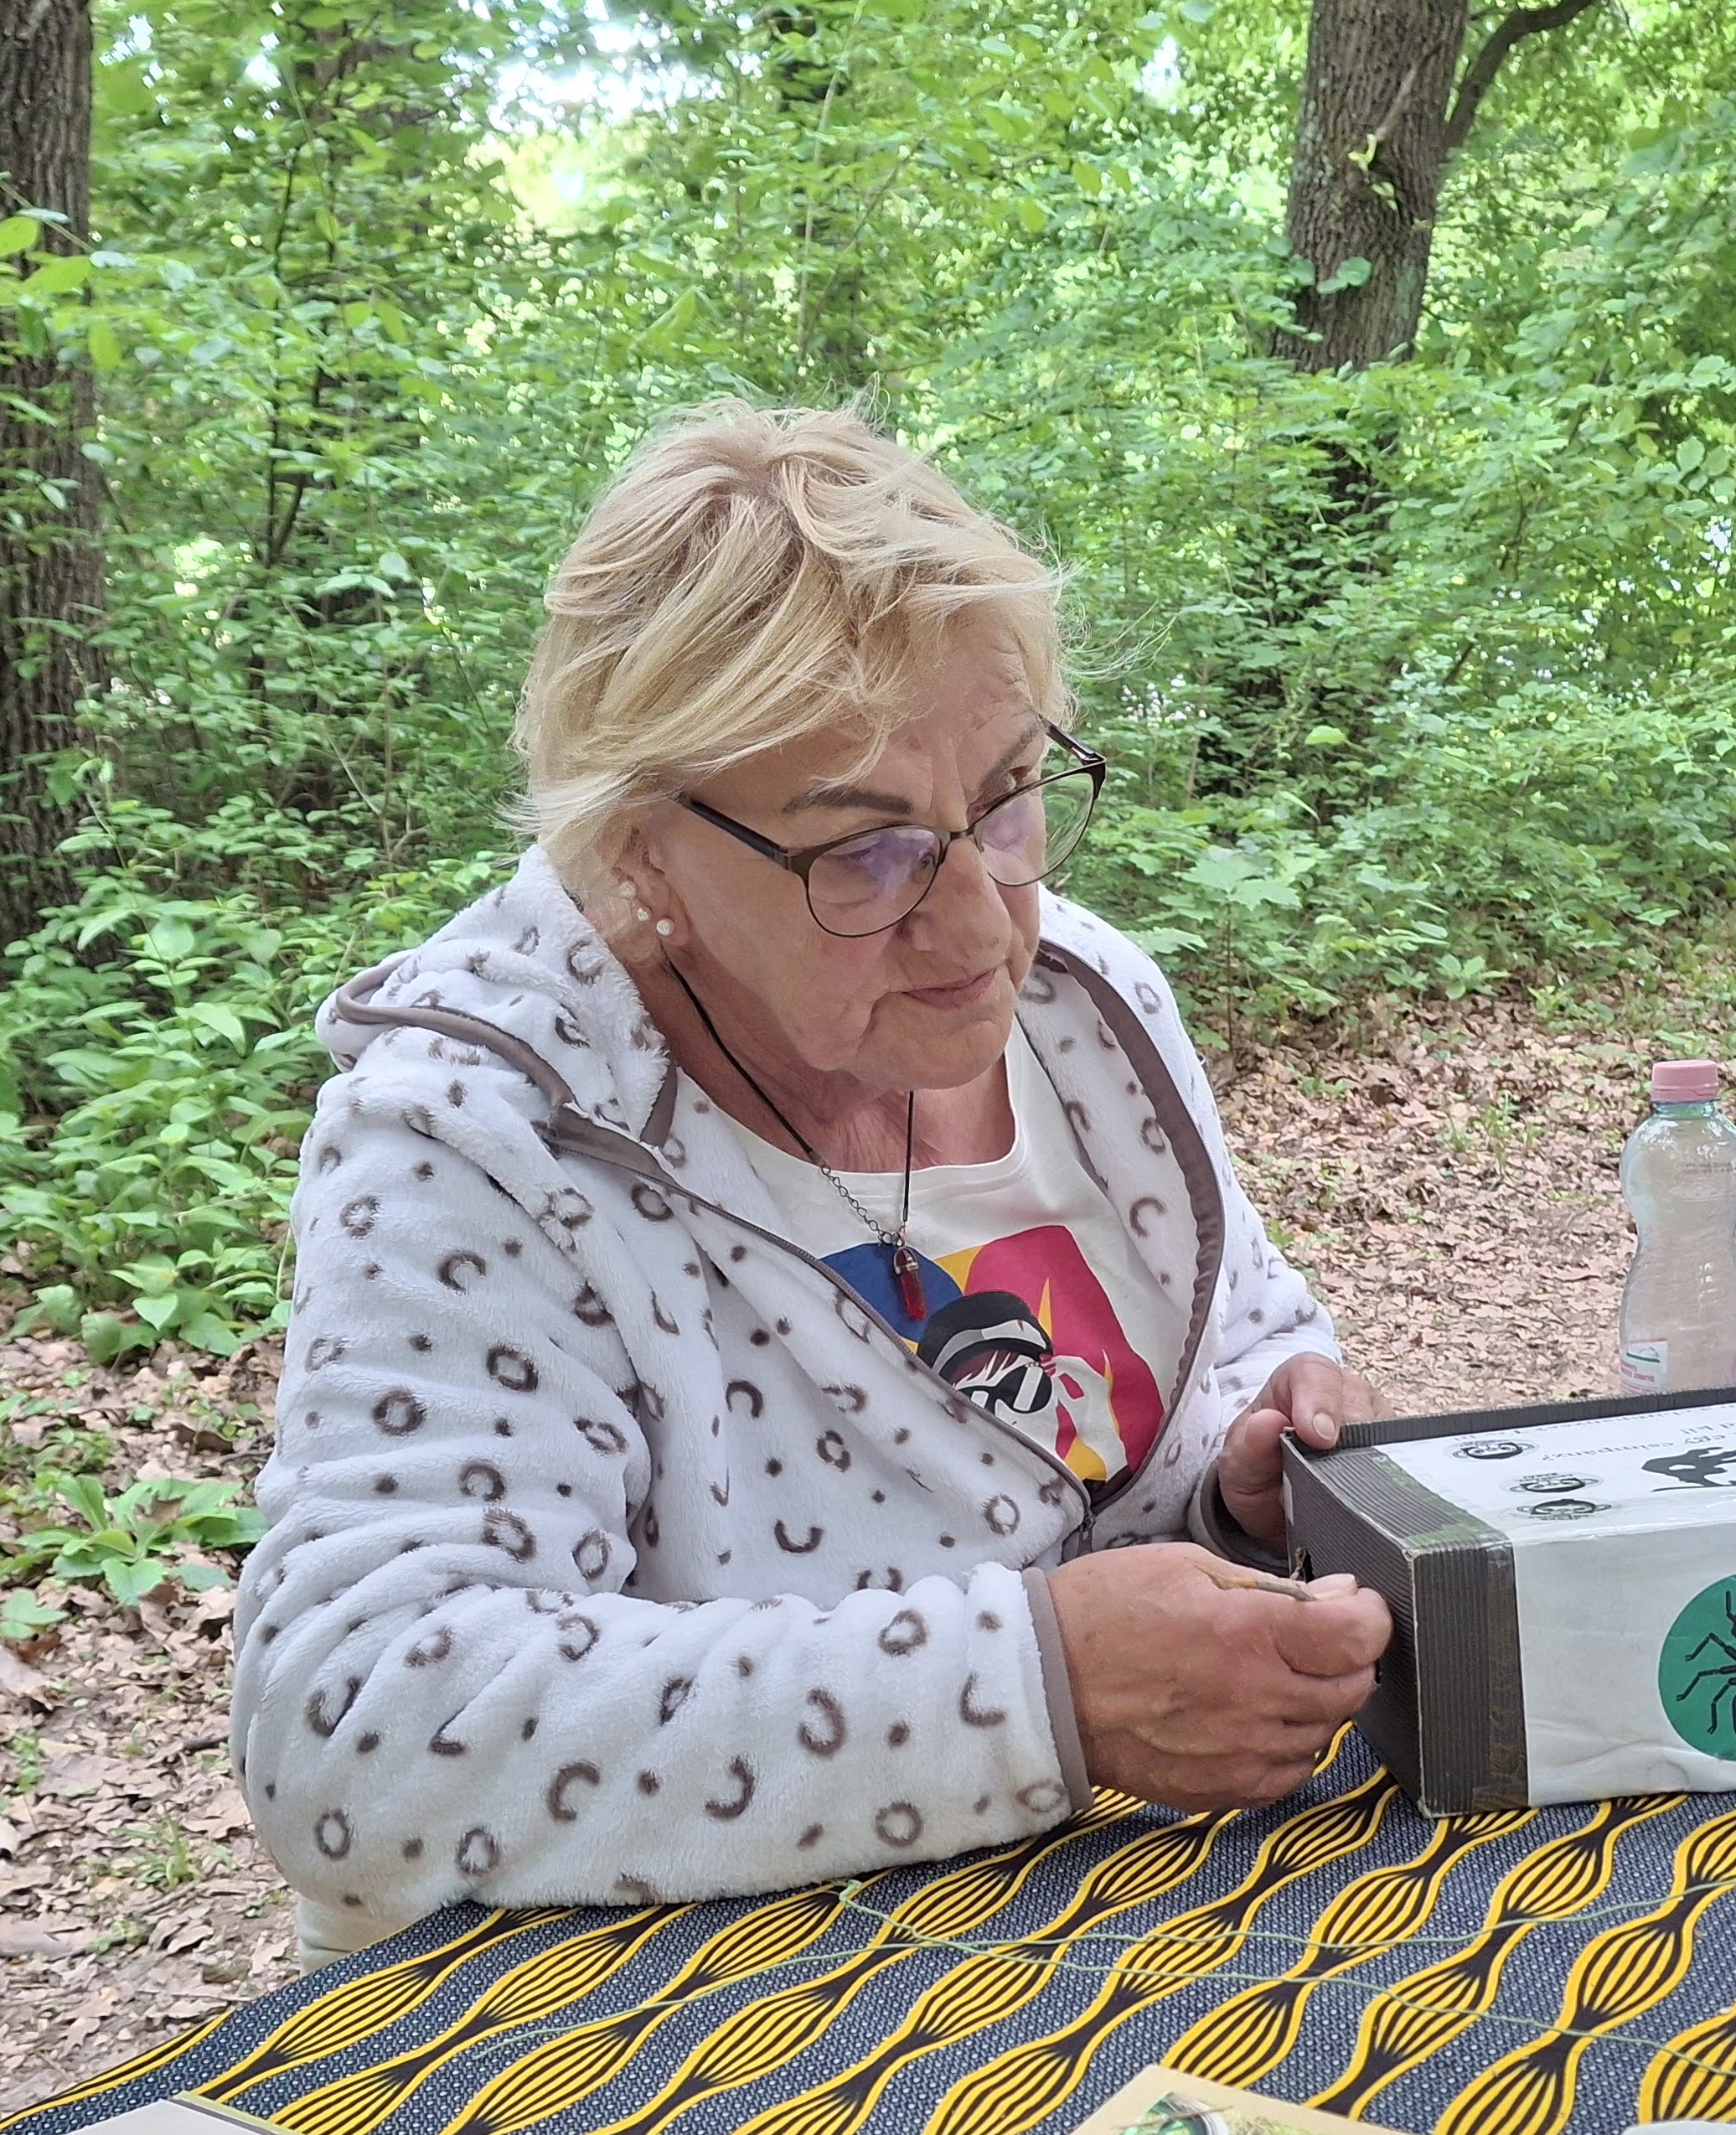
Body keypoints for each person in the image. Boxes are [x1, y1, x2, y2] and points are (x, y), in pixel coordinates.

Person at [232, 406, 1395, 1951]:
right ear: (639, 853)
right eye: (863, 854)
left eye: (1007, 797)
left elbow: (1224, 1360)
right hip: (645, 2013)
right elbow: (354, 1730)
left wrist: (1242, 1486)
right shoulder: (488, 1133)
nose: (980, 925)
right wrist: (1025, 1691)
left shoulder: (1087, 1012)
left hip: (1103, 1920)